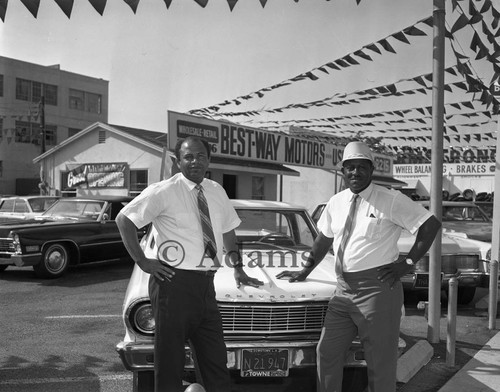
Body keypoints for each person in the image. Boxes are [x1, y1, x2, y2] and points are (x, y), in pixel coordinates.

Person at [276, 141, 441, 392]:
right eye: (350, 167)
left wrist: (406, 264)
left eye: (361, 167)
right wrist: (304, 271)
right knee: (327, 352)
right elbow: (323, 240)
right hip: (343, 290)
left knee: (379, 362)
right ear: (342, 170)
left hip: (378, 289)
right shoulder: (336, 202)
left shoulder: (390, 199)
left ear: (371, 169)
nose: (355, 172)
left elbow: (430, 225)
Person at [116, 136, 263, 392]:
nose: (195, 161)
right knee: (170, 362)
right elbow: (124, 220)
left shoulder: (217, 191)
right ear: (177, 161)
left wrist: (238, 268)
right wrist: (142, 261)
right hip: (173, 285)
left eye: (201, 156)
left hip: (206, 286)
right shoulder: (164, 191)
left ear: (209, 160)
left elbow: (228, 231)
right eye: (188, 156)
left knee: (215, 360)